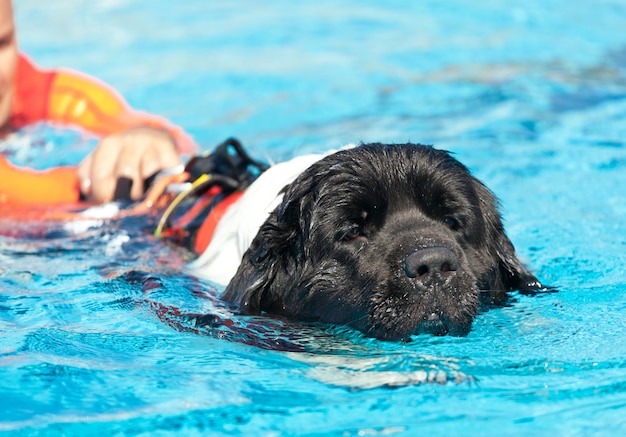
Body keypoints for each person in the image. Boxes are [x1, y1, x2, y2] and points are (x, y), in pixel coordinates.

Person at [0, 0, 196, 206]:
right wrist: (89, 189)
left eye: (2, 43)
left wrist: (151, 144)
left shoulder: (56, 96)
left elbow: (180, 146)